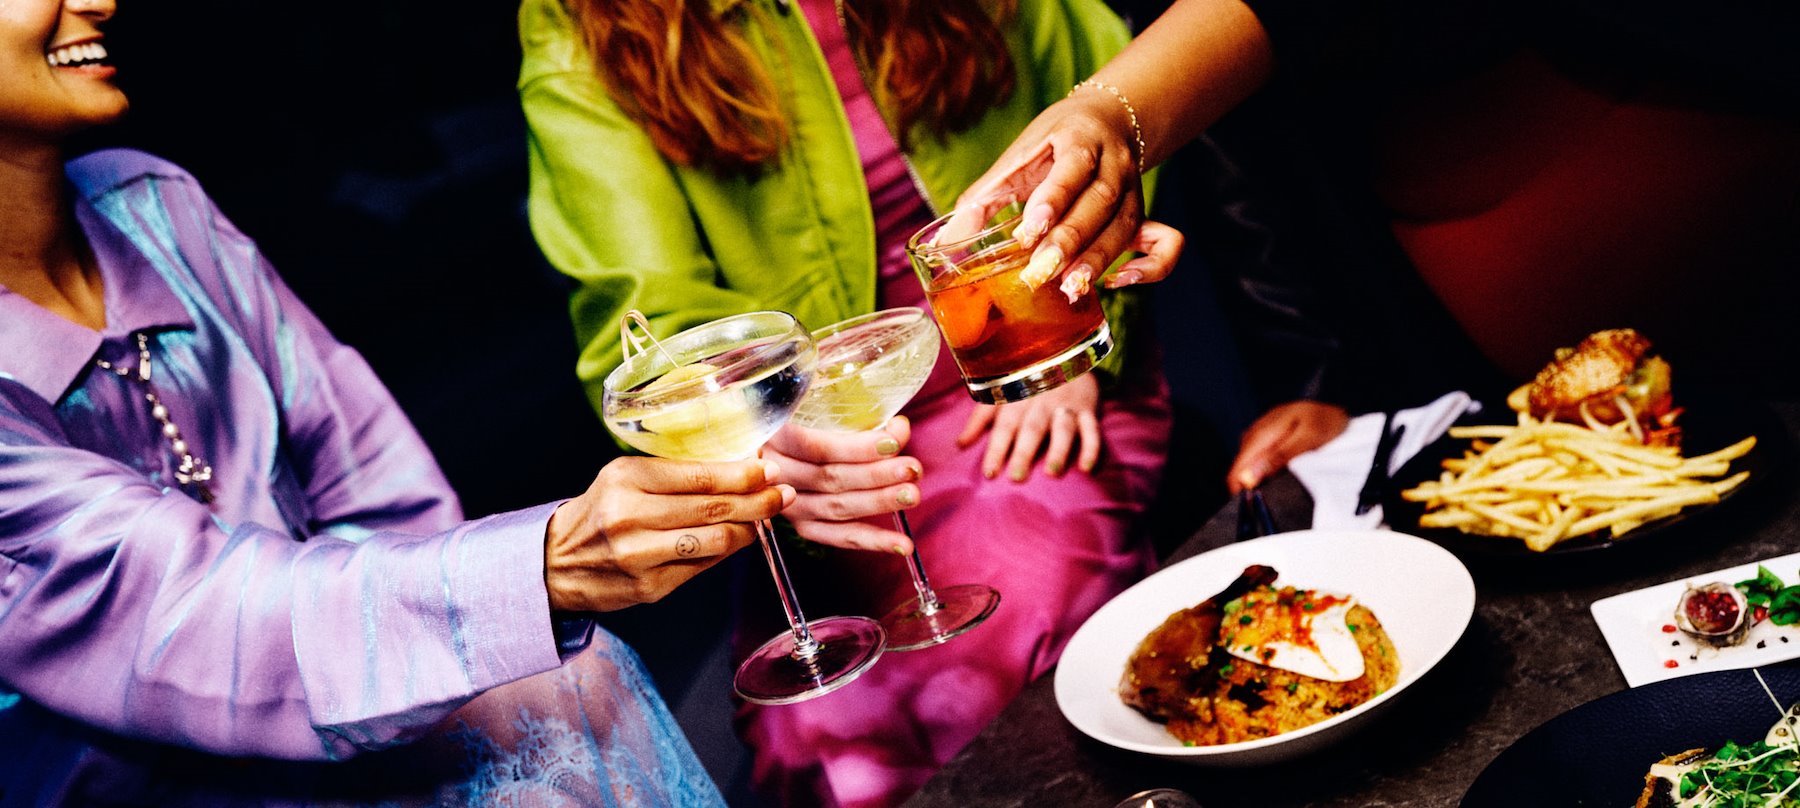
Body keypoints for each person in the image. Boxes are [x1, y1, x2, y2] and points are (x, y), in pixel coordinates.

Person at [0, 0, 835, 803]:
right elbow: (189, 611)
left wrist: (443, 659)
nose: (99, 1)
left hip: (358, 719)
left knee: (573, 680)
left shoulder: (151, 204)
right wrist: (543, 568)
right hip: (127, 784)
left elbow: (377, 487)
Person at [518, 0, 1183, 804]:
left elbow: (1116, 113)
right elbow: (644, 314)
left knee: (998, 634)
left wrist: (1072, 325)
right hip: (818, 454)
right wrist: (774, 445)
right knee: (823, 738)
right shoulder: (576, 19)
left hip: (1024, 388)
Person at [954, 0, 1800, 495]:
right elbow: (1244, 140)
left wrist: (1113, 110)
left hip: (1691, 152)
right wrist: (1331, 383)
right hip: (1433, 297)